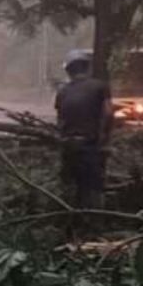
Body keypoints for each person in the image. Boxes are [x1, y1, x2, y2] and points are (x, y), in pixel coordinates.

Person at [55, 51, 113, 212]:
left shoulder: (62, 92)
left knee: (69, 187)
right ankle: (94, 223)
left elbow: (60, 120)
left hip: (67, 146)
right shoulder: (100, 86)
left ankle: (68, 221)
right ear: (88, 68)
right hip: (90, 145)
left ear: (68, 71)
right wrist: (104, 138)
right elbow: (108, 113)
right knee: (93, 187)